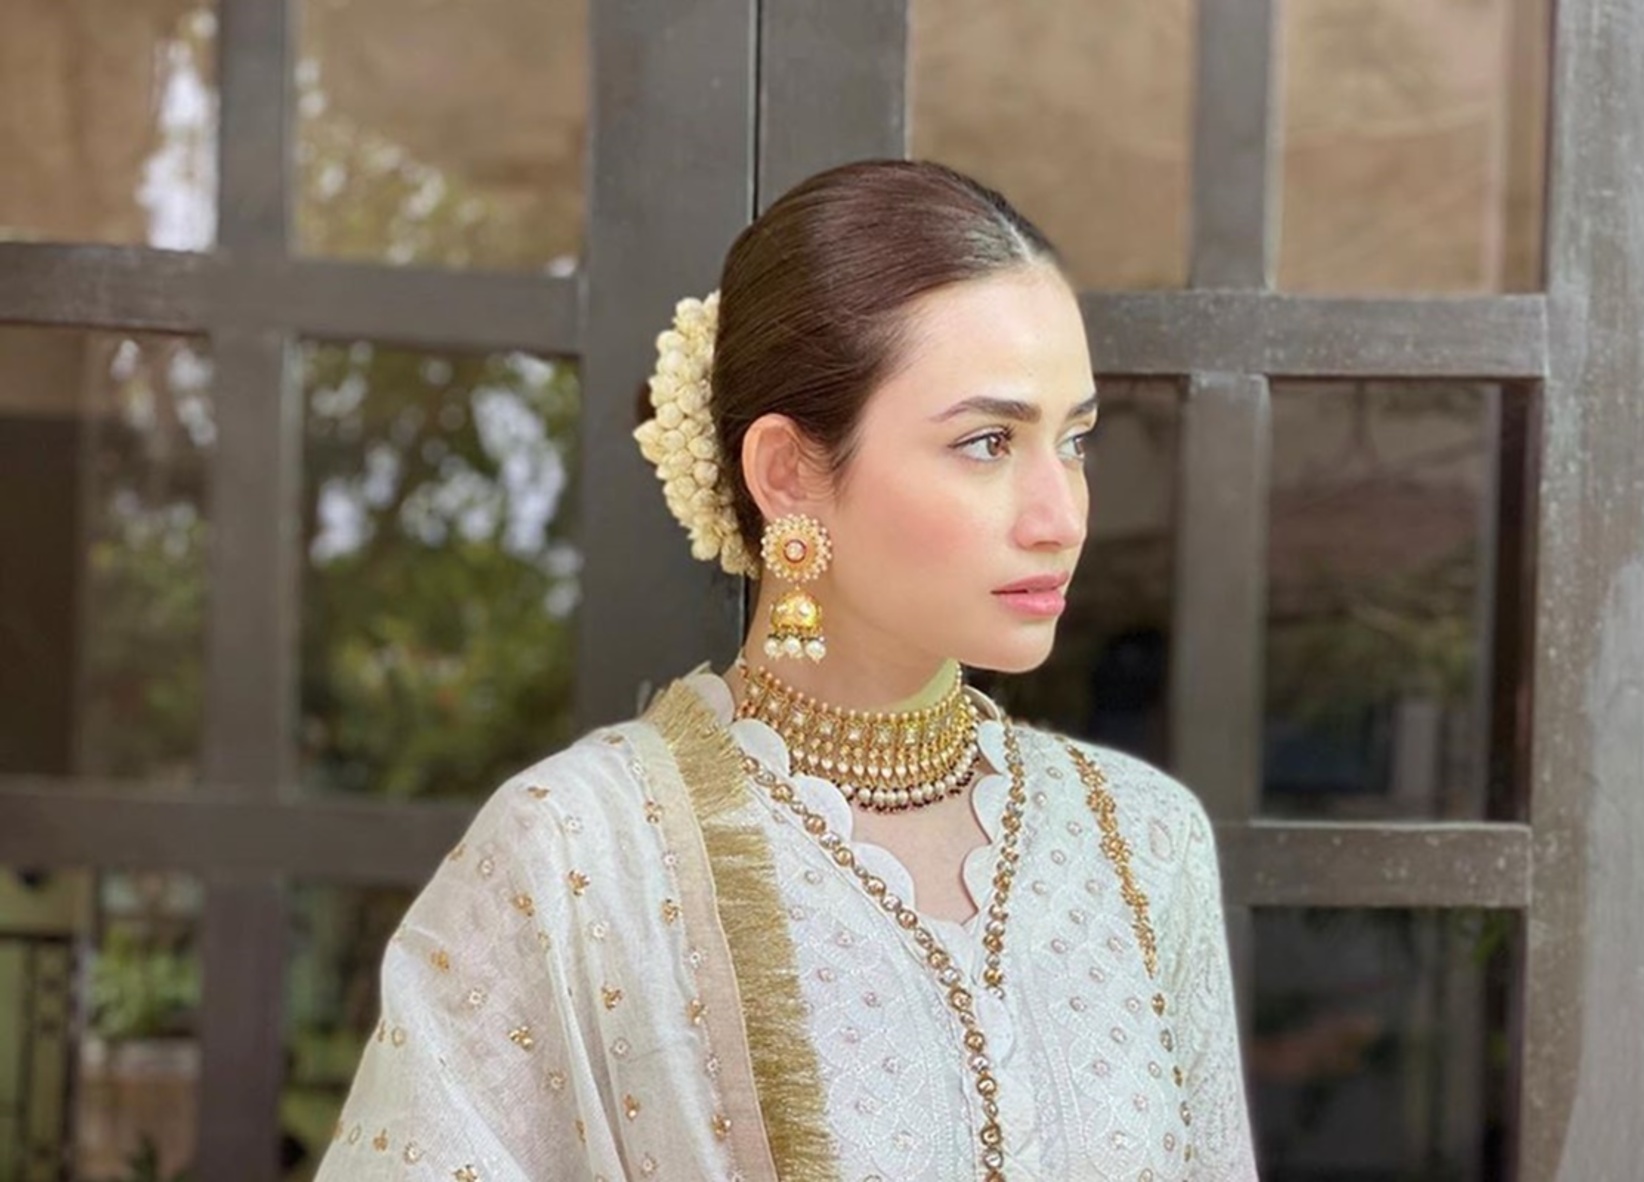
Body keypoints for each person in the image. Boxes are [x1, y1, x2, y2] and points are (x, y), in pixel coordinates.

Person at [315, 159, 1257, 1181]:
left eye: (1073, 440)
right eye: (989, 441)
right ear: (787, 472)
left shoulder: (1141, 844)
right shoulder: (578, 856)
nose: (1061, 515)